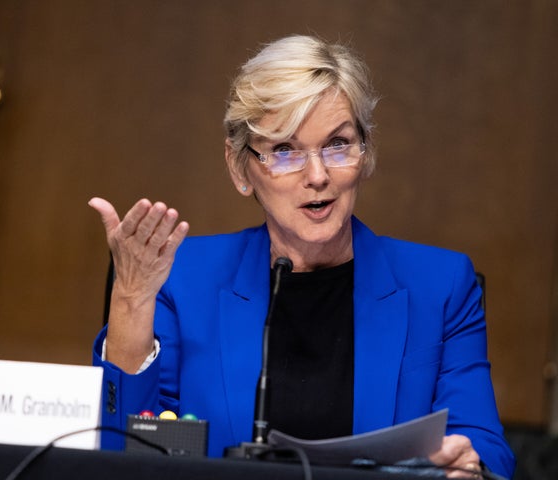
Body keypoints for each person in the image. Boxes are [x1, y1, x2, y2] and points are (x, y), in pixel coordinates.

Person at [88, 34, 515, 479]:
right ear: (240, 169)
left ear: (365, 154)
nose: (317, 176)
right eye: (285, 151)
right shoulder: (183, 277)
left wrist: (468, 465)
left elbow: (486, 447)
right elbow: (122, 449)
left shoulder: (441, 285)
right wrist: (131, 299)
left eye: (338, 144)